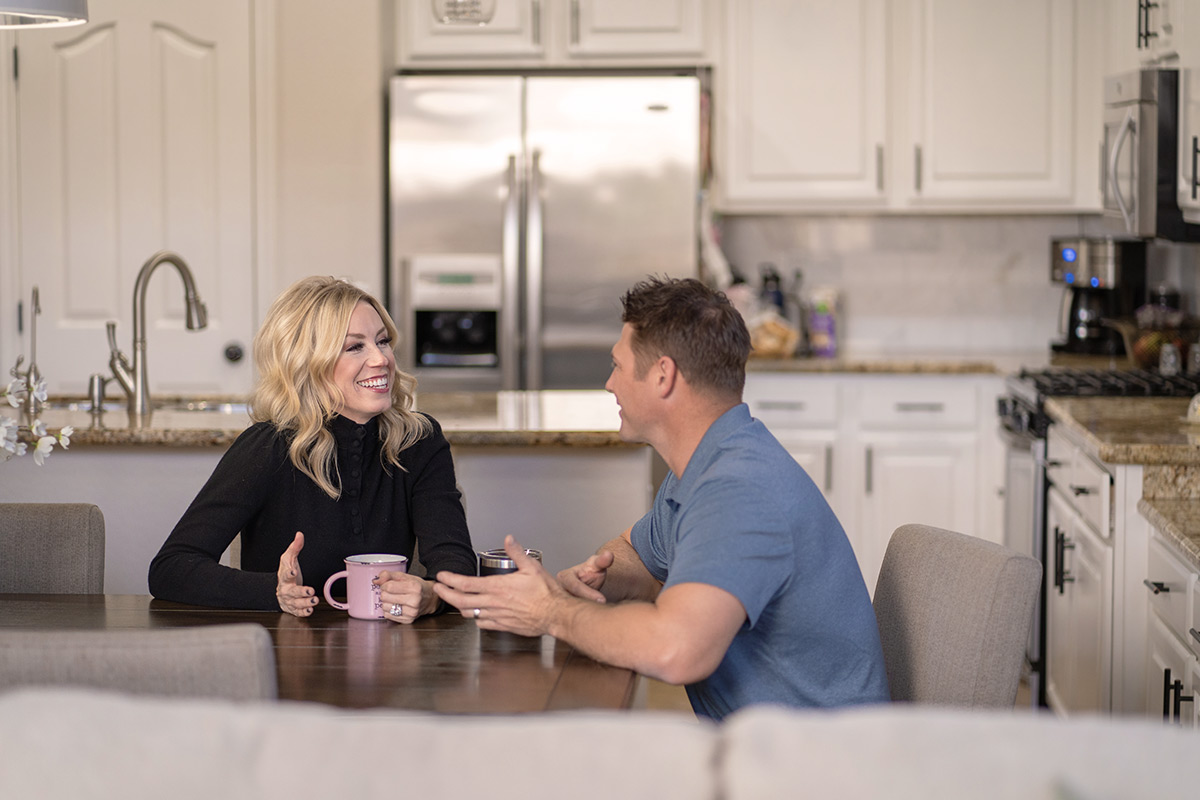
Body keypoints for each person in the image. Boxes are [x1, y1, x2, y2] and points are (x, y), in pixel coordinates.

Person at [434, 276, 889, 720]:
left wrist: (550, 611)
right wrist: (597, 578)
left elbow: (675, 650)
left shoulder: (738, 490)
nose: (609, 384)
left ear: (663, 376)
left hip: (822, 766)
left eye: (617, 365)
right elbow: (637, 553)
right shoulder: (704, 463)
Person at [149, 276, 476, 621]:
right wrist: (273, 592)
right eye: (355, 347)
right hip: (287, 659)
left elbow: (457, 568)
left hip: (391, 657)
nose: (381, 359)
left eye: (383, 341)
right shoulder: (268, 447)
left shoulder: (419, 441)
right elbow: (171, 568)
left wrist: (431, 595)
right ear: (308, 363)